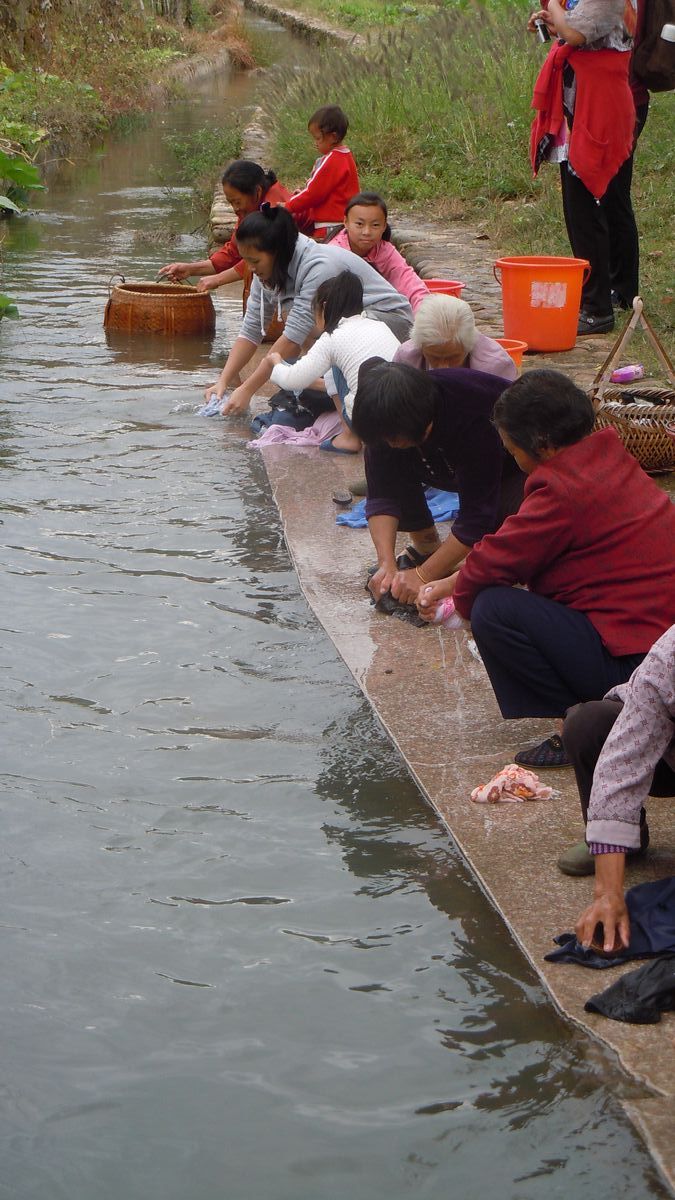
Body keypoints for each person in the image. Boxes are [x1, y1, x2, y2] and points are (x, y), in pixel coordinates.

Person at [416, 370, 675, 766]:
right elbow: (515, 550)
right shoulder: (609, 456)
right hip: (662, 649)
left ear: (541, 444)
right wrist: (451, 583)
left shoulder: (561, 488)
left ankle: (583, 721)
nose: (514, 460)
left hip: (637, 665)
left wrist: (459, 600)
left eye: (512, 450)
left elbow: (493, 563)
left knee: (493, 610)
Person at [203, 206, 413, 416]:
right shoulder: (266, 272)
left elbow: (292, 338)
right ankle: (324, 381)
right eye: (246, 260)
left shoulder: (318, 267)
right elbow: (251, 331)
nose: (250, 268)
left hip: (388, 322)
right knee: (294, 326)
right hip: (349, 326)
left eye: (255, 261)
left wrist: (247, 389)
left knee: (298, 338)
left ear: (278, 252)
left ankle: (335, 391)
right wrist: (223, 382)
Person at [349, 360, 524, 606]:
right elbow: (381, 493)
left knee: (509, 525)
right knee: (393, 462)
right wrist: (385, 565)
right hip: (444, 456)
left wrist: (424, 575)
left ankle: (444, 564)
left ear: (423, 425)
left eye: (394, 439)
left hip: (514, 466)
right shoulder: (384, 418)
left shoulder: (471, 413)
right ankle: (426, 546)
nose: (388, 444)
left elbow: (476, 519)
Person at [529, 0, 638, 334]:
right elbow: (569, 29)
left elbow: (575, 32)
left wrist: (553, 11)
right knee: (594, 203)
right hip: (582, 98)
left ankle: (597, 307)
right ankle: (613, 293)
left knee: (589, 204)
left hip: (598, 104)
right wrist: (550, 21)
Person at [565, 626, 675, 953]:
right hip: (666, 756)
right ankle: (621, 842)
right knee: (587, 724)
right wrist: (608, 894)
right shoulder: (668, 659)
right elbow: (620, 768)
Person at [266, 271, 400, 454]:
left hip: (370, 422)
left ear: (325, 307)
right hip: (403, 415)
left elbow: (291, 380)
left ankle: (349, 437)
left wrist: (276, 362)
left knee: (333, 368)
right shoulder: (379, 325)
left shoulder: (332, 337)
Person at [159, 160, 291, 292]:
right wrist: (190, 269)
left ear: (257, 191)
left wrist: (217, 279)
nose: (235, 208)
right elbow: (232, 253)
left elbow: (260, 257)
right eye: (231, 202)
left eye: (237, 201)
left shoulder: (274, 210)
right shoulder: (250, 209)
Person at [328, 193, 429, 311]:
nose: (366, 232)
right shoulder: (333, 253)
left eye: (375, 225)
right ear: (346, 222)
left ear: (384, 226)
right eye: (359, 224)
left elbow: (410, 283)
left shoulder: (385, 251)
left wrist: (425, 313)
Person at [394, 293, 518, 380]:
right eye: (434, 357)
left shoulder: (495, 366)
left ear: (469, 346)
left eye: (453, 357)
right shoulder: (406, 358)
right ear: (421, 347)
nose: (443, 368)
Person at [283, 105, 360, 239]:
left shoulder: (333, 160)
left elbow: (314, 193)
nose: (315, 143)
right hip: (343, 222)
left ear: (333, 137)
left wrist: (288, 206)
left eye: (318, 138)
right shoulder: (346, 156)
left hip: (330, 225)